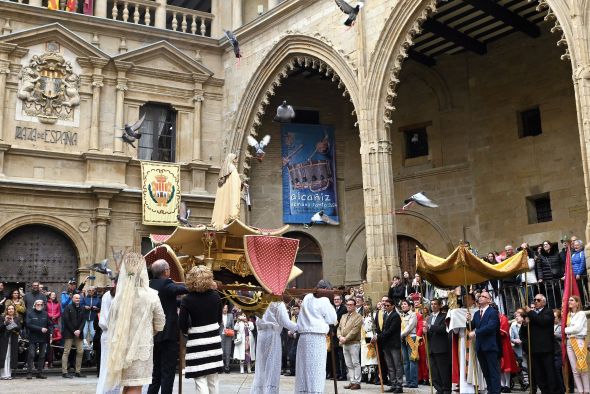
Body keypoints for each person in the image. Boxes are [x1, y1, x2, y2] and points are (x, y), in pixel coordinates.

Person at [105, 253, 165, 394]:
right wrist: (149, 331)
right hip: (141, 347)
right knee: (136, 385)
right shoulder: (151, 295)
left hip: (121, 346)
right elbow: (160, 322)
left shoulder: (118, 297)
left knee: (126, 385)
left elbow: (110, 321)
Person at [179, 265, 224, 393]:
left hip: (196, 343)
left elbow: (182, 323)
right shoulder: (215, 296)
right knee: (213, 380)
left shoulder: (187, 300)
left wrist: (188, 331)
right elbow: (219, 319)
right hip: (213, 342)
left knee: (200, 380)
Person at [148, 259, 188, 394]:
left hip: (154, 335)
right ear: (166, 271)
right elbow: (179, 289)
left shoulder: (151, 284)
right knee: (167, 374)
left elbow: (167, 301)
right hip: (167, 335)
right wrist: (196, 285)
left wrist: (181, 302)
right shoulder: (166, 283)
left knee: (156, 374)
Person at [294, 279, 338, 394]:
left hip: (303, 338)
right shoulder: (324, 301)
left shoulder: (307, 297)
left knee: (304, 368)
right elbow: (332, 319)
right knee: (316, 369)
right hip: (316, 338)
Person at [250, 300, 297, 394]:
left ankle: (259, 391)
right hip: (272, 334)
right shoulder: (278, 303)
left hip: (261, 335)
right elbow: (285, 322)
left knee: (261, 367)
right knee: (272, 367)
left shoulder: (260, 300)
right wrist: (300, 327)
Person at [524, 294, 559, 394]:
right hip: (535, 349)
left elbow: (542, 321)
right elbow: (525, 331)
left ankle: (553, 392)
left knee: (550, 373)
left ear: (544, 302)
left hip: (546, 349)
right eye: (534, 299)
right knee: (539, 375)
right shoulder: (532, 314)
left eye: (538, 300)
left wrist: (530, 312)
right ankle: (545, 391)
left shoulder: (548, 311)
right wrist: (525, 323)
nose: (535, 301)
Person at [467, 291, 500, 394]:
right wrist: (468, 321)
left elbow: (491, 327)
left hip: (490, 346)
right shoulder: (477, 313)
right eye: (480, 296)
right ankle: (490, 391)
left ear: (489, 300)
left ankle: (495, 392)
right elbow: (470, 327)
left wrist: (476, 332)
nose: (481, 297)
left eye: (484, 296)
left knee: (493, 372)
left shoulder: (493, 312)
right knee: (486, 372)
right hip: (480, 347)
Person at [96, 277, 119, 394]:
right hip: (113, 334)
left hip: (107, 334)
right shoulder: (115, 296)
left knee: (106, 366)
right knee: (110, 367)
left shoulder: (106, 295)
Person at [375, 297, 402, 393]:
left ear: (393, 306)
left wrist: (379, 336)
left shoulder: (395, 316)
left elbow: (391, 330)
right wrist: (377, 334)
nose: (385, 307)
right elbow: (383, 329)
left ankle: (399, 385)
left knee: (397, 365)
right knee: (390, 365)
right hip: (386, 344)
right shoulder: (385, 315)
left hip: (394, 344)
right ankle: (393, 383)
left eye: (387, 305)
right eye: (384, 305)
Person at [424, 298, 451, 394]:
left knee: (443, 371)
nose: (433, 306)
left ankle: (446, 390)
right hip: (431, 348)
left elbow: (443, 329)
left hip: (441, 348)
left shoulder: (444, 316)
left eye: (435, 304)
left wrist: (430, 327)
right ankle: (438, 389)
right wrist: (425, 331)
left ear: (440, 305)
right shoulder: (429, 317)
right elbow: (428, 332)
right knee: (434, 372)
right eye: (431, 304)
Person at [564, 295, 589, 394]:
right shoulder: (569, 315)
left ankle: (587, 390)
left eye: (572, 300)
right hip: (570, 341)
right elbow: (573, 329)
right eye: (569, 300)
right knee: (574, 369)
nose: (569, 302)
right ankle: (580, 390)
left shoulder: (581, 314)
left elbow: (577, 328)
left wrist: (566, 330)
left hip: (578, 341)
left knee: (582, 367)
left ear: (577, 303)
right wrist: (570, 331)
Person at [211, 153, 242, 230]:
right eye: (235, 159)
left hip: (227, 193)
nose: (236, 160)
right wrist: (241, 184)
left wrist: (242, 184)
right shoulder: (232, 168)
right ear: (231, 159)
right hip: (230, 193)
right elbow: (234, 182)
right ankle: (227, 221)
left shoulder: (227, 169)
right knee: (229, 205)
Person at [337, 298, 363, 390]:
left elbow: (355, 331)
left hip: (353, 343)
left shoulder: (358, 316)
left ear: (355, 306)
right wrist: (340, 337)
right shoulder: (344, 316)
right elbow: (339, 328)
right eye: (347, 304)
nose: (349, 306)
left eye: (351, 304)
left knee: (355, 363)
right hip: (344, 343)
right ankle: (352, 381)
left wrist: (345, 339)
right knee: (348, 363)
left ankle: (357, 382)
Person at [26, 299, 52, 379]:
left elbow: (50, 324)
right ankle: (29, 372)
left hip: (43, 338)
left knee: (42, 356)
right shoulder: (30, 313)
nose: (39, 305)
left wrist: (50, 332)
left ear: (43, 306)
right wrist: (40, 329)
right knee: (31, 355)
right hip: (33, 337)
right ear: (34, 305)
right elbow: (28, 325)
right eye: (38, 304)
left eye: (41, 304)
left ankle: (39, 373)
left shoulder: (45, 314)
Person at [62, 293, 86, 378]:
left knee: (80, 351)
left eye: (79, 298)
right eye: (76, 298)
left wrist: (79, 330)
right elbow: (66, 320)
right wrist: (74, 331)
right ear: (72, 299)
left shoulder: (82, 308)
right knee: (66, 352)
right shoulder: (68, 308)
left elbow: (84, 320)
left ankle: (77, 371)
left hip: (79, 333)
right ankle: (64, 372)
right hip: (69, 333)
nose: (77, 300)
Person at [399, 299, 418, 388]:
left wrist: (401, 335)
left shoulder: (413, 314)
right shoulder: (401, 315)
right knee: (405, 361)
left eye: (405, 304)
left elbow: (410, 327)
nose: (403, 306)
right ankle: (408, 380)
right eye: (402, 304)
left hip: (411, 337)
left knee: (412, 360)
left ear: (409, 306)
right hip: (403, 338)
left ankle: (414, 382)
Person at [498, 310, 518, 392]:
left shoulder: (503, 318)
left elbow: (503, 332)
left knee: (506, 365)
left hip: (504, 344)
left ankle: (507, 385)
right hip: (496, 344)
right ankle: (502, 384)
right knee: (500, 366)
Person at [0, 304, 21, 379]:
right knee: (4, 356)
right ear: (7, 310)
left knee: (10, 356)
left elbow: (19, 328)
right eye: (9, 309)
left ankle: (8, 374)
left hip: (13, 340)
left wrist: (13, 323)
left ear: (14, 310)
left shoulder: (17, 318)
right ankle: (3, 375)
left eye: (12, 309)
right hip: (4, 340)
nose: (11, 310)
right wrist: (5, 322)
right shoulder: (2, 317)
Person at [360, 306, 378, 385]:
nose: (366, 308)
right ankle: (366, 375)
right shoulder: (363, 317)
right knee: (365, 357)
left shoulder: (373, 316)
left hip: (369, 335)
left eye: (367, 307)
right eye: (365, 307)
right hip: (363, 336)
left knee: (371, 357)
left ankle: (373, 376)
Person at [332, 293, 347, 381]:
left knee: (342, 356)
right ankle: (337, 373)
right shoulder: (333, 309)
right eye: (335, 300)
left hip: (340, 334)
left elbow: (340, 322)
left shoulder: (343, 309)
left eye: (338, 299)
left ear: (341, 301)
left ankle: (343, 374)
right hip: (333, 336)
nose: (336, 301)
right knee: (335, 356)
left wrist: (334, 331)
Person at [46, 291, 62, 368]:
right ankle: (47, 361)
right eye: (52, 295)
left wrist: (55, 316)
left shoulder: (57, 304)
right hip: (48, 323)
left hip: (55, 323)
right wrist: (50, 316)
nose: (54, 296)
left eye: (55, 295)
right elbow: (45, 312)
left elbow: (59, 312)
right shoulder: (46, 303)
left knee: (53, 344)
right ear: (49, 296)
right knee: (48, 343)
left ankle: (51, 361)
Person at [220, 303, 235, 373]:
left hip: (228, 335)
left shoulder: (230, 316)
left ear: (227, 309)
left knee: (228, 352)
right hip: (221, 335)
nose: (225, 309)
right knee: (221, 352)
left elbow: (233, 326)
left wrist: (233, 336)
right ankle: (221, 367)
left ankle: (227, 367)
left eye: (226, 308)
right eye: (224, 308)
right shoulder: (219, 316)